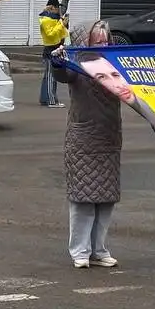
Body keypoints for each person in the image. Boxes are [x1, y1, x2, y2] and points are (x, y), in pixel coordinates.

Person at [50, 19, 122, 268]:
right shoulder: (76, 63)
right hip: (83, 141)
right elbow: (62, 73)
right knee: (83, 199)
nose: (103, 44)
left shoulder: (117, 63)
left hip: (109, 139)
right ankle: (80, 251)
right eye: (97, 40)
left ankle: (99, 250)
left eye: (105, 40)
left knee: (106, 199)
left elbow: (144, 76)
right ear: (85, 41)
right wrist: (56, 60)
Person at [38, 0, 69, 108]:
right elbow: (50, 34)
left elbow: (63, 9)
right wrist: (62, 24)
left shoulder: (55, 16)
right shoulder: (46, 20)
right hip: (50, 50)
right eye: (57, 8)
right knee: (51, 77)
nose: (59, 11)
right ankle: (51, 101)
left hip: (56, 49)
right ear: (52, 8)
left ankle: (44, 99)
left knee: (48, 76)